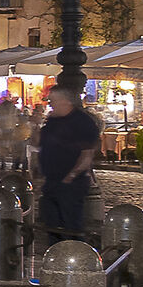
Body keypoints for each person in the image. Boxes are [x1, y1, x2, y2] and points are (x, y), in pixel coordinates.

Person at [33, 85, 102, 243]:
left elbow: (87, 154)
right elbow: (39, 143)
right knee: (51, 223)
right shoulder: (53, 120)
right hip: (51, 180)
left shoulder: (82, 122)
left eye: (53, 100)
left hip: (72, 182)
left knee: (71, 224)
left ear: (64, 101)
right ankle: (56, 252)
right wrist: (36, 126)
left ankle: (75, 253)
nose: (50, 104)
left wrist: (71, 176)